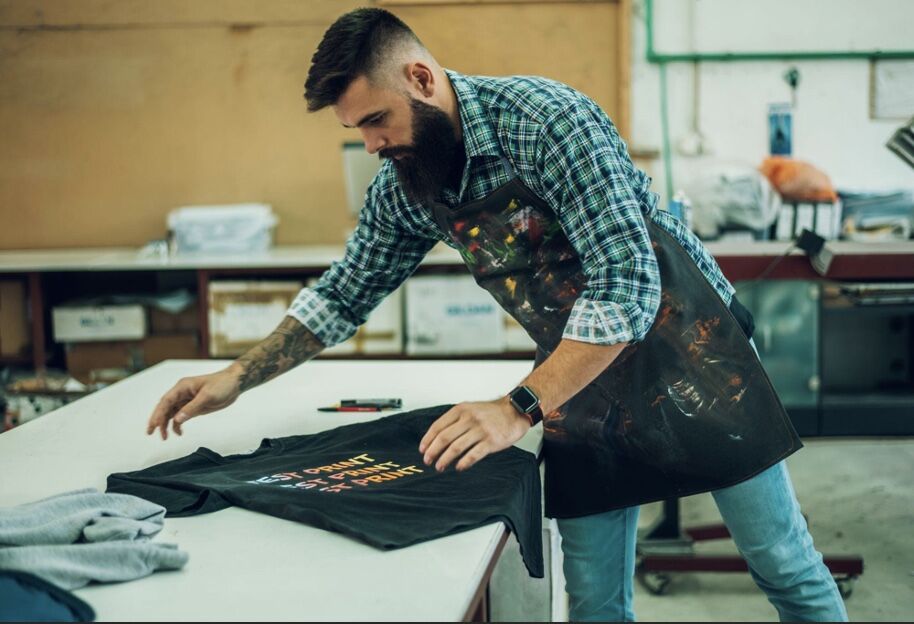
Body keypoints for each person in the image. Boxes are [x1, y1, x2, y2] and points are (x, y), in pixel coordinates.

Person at [146, 8, 848, 621]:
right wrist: (237, 376)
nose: (371, 145)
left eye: (375, 120)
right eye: (356, 129)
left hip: (694, 356)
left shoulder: (546, 122)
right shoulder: (408, 184)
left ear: (420, 79)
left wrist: (516, 408)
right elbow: (346, 290)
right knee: (596, 601)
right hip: (581, 384)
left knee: (783, 566)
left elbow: (627, 286)